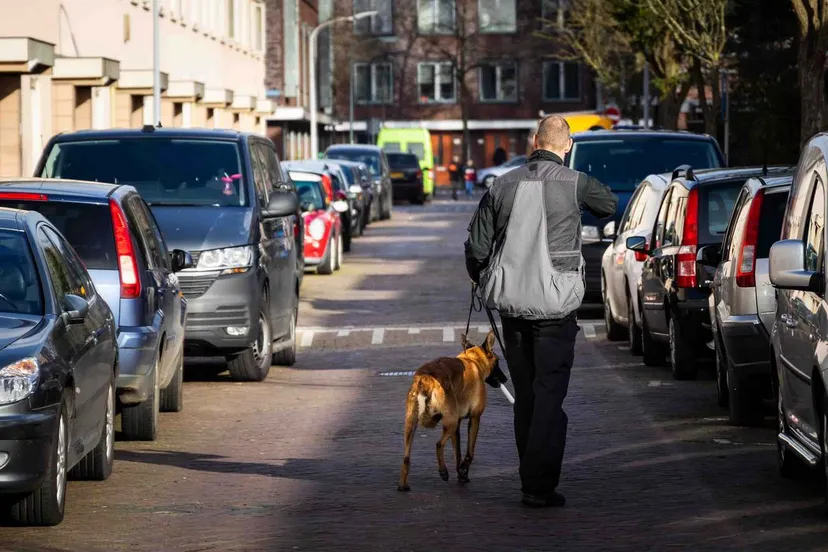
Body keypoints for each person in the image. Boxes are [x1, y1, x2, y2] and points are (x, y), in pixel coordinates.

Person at [464, 115, 617, 508]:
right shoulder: (575, 182)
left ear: (534, 142)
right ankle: (538, 485)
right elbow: (608, 204)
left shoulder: (502, 184)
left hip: (513, 308)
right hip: (555, 309)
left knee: (527, 397)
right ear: (567, 145)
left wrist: (480, 277)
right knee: (549, 395)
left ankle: (530, 478)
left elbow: (477, 247)